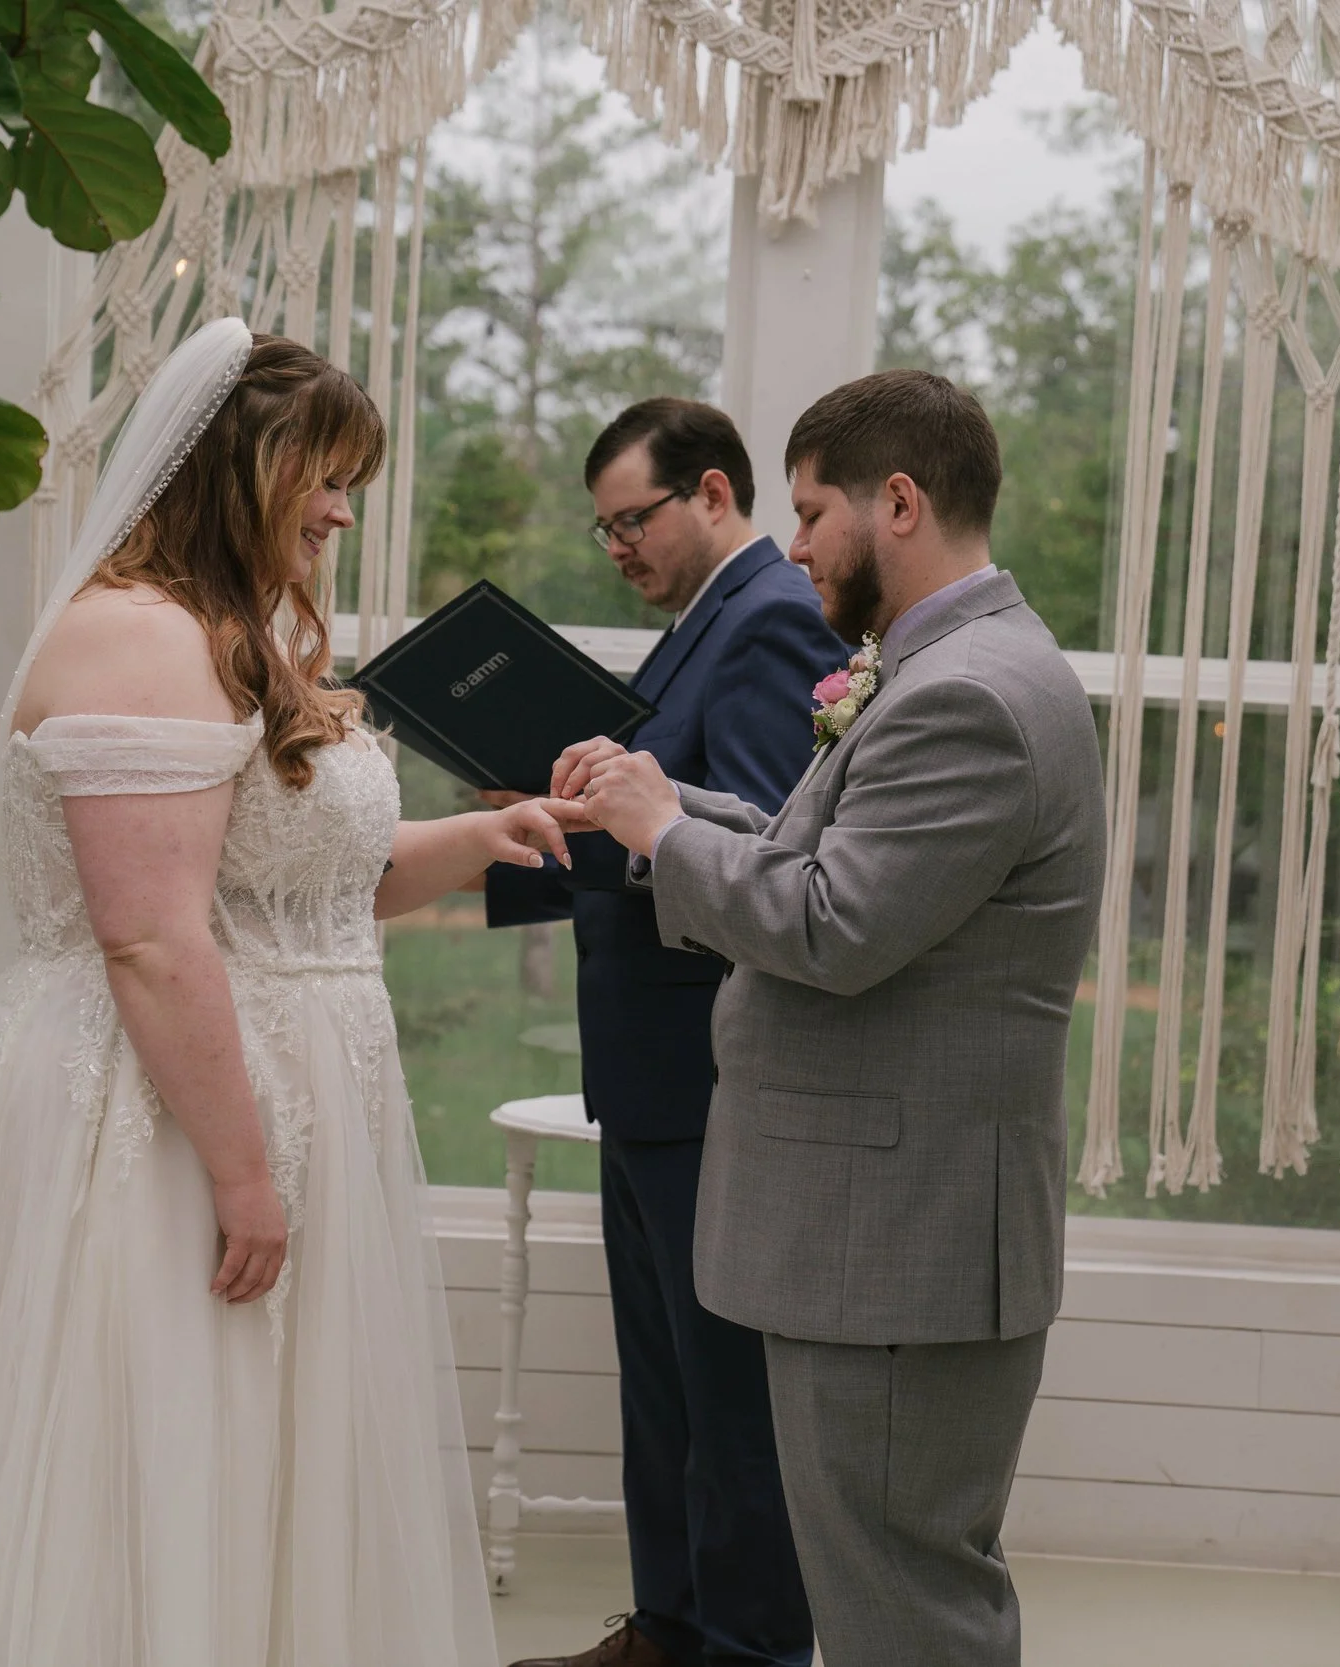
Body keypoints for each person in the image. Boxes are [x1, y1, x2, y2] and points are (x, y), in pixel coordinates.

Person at [0, 323, 554, 1667]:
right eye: (320, 476)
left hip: (231, 1094)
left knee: (240, 1472)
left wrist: (481, 840)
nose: (338, 509)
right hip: (140, 1123)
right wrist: (245, 1173)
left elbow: (278, 892)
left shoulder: (225, 631)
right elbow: (151, 937)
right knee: (131, 1461)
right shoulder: (140, 642)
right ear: (234, 470)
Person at [546, 370, 1106, 1667]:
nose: (790, 548)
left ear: (896, 502)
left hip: (901, 1239)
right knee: (879, 1595)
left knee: (904, 1611)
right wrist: (670, 813)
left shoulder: (968, 695)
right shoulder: (950, 666)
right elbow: (827, 857)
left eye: (809, 513)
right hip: (886, 1231)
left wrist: (663, 826)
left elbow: (830, 927)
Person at [485, 399, 844, 1667]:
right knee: (663, 1386)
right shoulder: (701, 627)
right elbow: (645, 834)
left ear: (708, 491)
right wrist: (520, 826)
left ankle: (742, 1645)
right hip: (647, 1074)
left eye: (630, 519)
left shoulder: (768, 621)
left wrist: (591, 830)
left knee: (724, 1396)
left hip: (711, 1072)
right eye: (602, 531)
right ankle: (668, 1626)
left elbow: (744, 843)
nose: (618, 547)